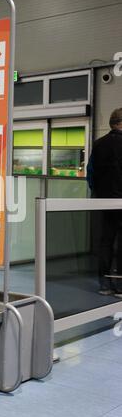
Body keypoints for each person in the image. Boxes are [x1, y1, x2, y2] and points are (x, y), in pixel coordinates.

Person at [90, 108, 122, 297]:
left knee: (106, 242)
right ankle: (120, 286)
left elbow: (91, 173)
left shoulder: (98, 144)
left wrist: (99, 193)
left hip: (104, 201)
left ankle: (105, 284)